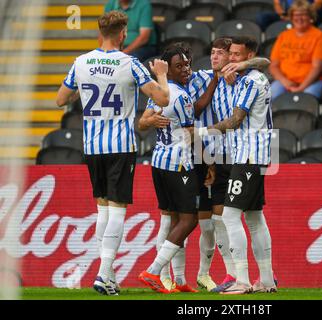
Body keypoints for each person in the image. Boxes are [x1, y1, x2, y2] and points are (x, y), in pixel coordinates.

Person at [56, 10, 169, 296]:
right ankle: (104, 274)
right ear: (122, 35)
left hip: (92, 146)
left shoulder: (80, 62)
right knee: (117, 209)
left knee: (102, 209)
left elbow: (60, 99)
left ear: (99, 33)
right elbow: (162, 98)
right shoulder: (129, 63)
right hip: (119, 145)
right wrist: (162, 76)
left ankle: (108, 274)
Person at [193, 36, 276, 294]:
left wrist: (201, 133)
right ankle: (267, 280)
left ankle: (242, 279)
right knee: (254, 217)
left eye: (237, 55)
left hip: (248, 154)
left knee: (229, 215)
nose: (231, 58)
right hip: (250, 153)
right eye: (230, 54)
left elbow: (235, 120)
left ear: (248, 56)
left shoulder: (250, 80)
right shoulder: (241, 76)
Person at [138, 43, 201, 294]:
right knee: (189, 220)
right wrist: (220, 133)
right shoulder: (182, 96)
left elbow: (143, 122)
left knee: (174, 220)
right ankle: (153, 271)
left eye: (187, 64)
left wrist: (150, 120)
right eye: (179, 66)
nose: (185, 69)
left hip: (159, 162)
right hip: (179, 163)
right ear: (169, 71)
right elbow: (189, 134)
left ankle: (178, 280)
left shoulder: (158, 93)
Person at [269, 0, 322, 100]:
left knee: (306, 98)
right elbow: (274, 65)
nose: (299, 18)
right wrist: (285, 82)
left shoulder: (319, 36)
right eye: (296, 15)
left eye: (303, 15)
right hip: (285, 81)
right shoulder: (284, 36)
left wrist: (301, 87)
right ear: (291, 17)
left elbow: (317, 67)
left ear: (310, 16)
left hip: (311, 82)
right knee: (269, 96)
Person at [256, 0, 322, 30]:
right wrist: (283, 15)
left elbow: (319, 3)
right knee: (262, 18)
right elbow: (277, 4)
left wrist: (303, 13)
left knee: (318, 13)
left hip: (307, 13)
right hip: (288, 13)